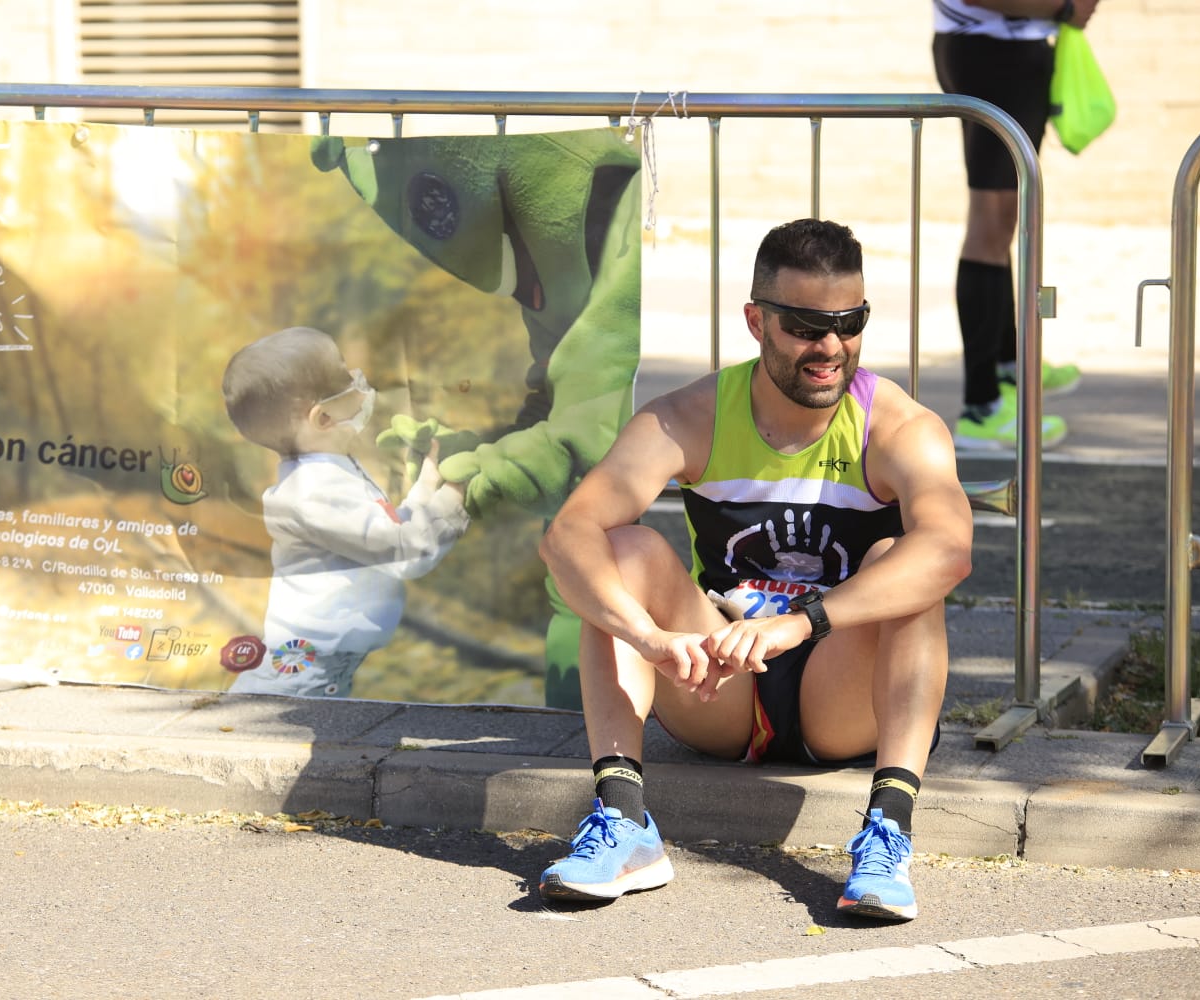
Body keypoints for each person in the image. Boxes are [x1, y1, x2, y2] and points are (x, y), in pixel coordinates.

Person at [535, 219, 973, 922]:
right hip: (719, 686)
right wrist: (650, 639)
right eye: (804, 325)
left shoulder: (896, 424)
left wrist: (802, 625)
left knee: (907, 564)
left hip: (841, 692)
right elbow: (567, 537)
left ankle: (888, 833)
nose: (830, 348)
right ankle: (624, 825)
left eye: (848, 321)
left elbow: (950, 551)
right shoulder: (691, 416)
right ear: (756, 321)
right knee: (624, 552)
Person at [221, 326, 469, 698]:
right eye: (344, 375)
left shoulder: (328, 470)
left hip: (315, 664)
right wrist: (455, 494)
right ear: (322, 418)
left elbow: (389, 530)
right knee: (272, 734)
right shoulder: (316, 492)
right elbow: (406, 552)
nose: (358, 381)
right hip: (306, 673)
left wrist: (428, 480)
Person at [933, 0, 1100, 451]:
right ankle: (981, 407)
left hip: (1006, 55)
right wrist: (1063, 7)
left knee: (1001, 223)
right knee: (988, 226)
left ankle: (1008, 369)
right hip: (991, 55)